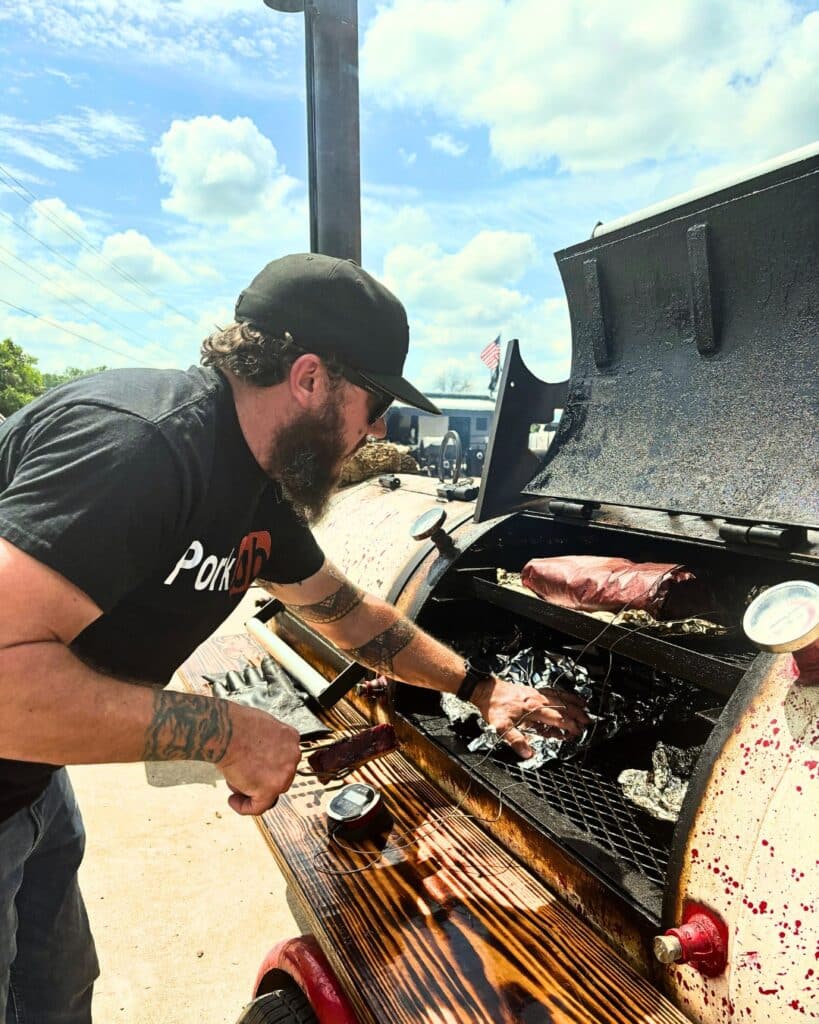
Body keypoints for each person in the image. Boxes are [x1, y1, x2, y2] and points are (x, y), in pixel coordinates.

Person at [0, 253, 589, 1022]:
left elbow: (349, 615)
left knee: (53, 992)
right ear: (310, 377)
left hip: (31, 783)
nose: (379, 428)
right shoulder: (142, 447)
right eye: (374, 401)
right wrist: (223, 731)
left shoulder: (254, 484)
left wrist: (481, 689)